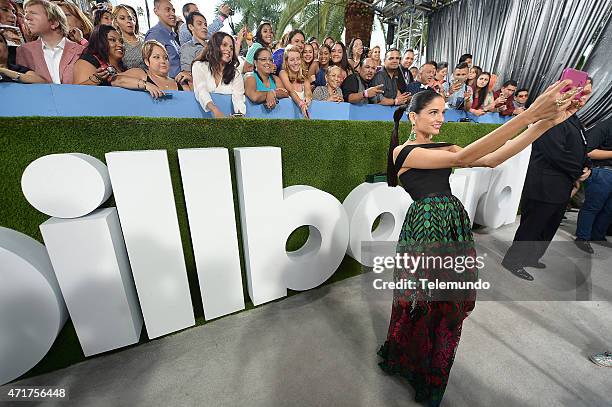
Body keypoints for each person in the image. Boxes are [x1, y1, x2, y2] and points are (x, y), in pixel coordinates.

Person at [380, 79, 583, 407]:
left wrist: (545, 123)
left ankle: (429, 368)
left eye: (442, 112)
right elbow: (469, 157)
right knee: (426, 302)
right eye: (432, 112)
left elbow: (491, 158)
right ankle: (411, 360)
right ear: (412, 118)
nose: (440, 118)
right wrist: (528, 114)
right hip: (426, 229)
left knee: (448, 306)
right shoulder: (403, 151)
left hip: (452, 225)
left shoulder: (445, 147)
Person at [502, 79, 593, 280]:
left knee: (549, 225)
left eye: (588, 94)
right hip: (544, 184)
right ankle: (514, 261)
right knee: (533, 225)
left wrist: (588, 167)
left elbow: (582, 148)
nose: (583, 98)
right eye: (582, 92)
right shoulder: (551, 116)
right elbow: (555, 154)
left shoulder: (575, 119)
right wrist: (579, 171)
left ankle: (532, 257)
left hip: (562, 185)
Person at [17, 0, 84, 84]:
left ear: (54, 23)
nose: (26, 17)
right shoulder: (23, 51)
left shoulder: (81, 51)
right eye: (26, 13)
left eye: (33, 13)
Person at [575, 116, 612, 251]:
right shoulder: (605, 126)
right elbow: (588, 152)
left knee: (609, 210)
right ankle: (582, 238)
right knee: (592, 207)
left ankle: (598, 236)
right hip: (603, 172)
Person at [192, 31, 245, 118]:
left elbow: (239, 99)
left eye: (231, 48)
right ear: (215, 46)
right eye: (224, 45)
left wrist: (239, 117)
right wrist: (215, 110)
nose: (229, 50)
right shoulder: (199, 66)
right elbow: (201, 90)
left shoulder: (235, 74)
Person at [111, 39, 188, 97]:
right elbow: (115, 80)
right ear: (147, 61)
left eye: (165, 58)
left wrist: (190, 81)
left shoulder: (180, 83)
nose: (163, 61)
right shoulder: (142, 74)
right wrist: (145, 85)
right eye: (156, 57)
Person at [145, 0, 189, 82]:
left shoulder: (173, 36)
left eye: (173, 10)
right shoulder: (154, 34)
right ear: (156, 11)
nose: (172, 14)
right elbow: (152, 68)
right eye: (167, 10)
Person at [279, 43, 311, 118]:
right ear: (286, 62)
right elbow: (291, 91)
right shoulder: (283, 73)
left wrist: (308, 99)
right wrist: (301, 104)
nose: (296, 63)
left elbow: (308, 93)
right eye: (292, 60)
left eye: (298, 59)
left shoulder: (304, 78)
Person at [111, 4, 144, 70]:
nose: (128, 21)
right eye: (122, 18)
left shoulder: (145, 40)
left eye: (130, 18)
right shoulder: (118, 45)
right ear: (116, 22)